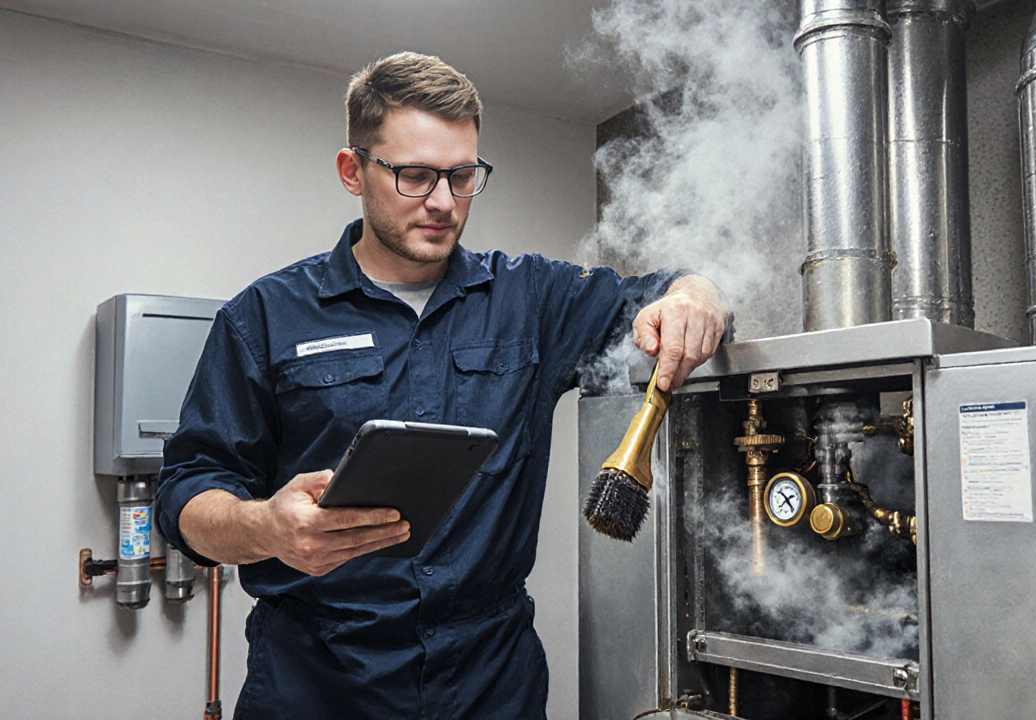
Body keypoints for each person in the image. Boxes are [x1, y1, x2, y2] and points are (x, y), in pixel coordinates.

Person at [154, 52, 728, 719]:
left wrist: (698, 294)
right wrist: (266, 528)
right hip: (319, 684)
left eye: (462, 177)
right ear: (352, 170)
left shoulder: (531, 297)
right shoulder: (263, 317)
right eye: (415, 175)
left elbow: (661, 293)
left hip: (491, 685)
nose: (442, 203)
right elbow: (187, 494)